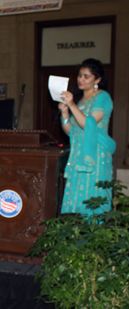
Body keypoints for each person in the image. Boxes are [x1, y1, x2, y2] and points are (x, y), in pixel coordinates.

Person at [59, 58, 115, 215]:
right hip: (77, 155)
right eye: (79, 75)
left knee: (92, 201)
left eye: (86, 76)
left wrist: (72, 106)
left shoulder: (102, 97)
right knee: (75, 199)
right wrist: (65, 112)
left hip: (95, 156)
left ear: (98, 79)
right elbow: (70, 130)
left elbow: (88, 125)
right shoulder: (79, 100)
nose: (81, 79)